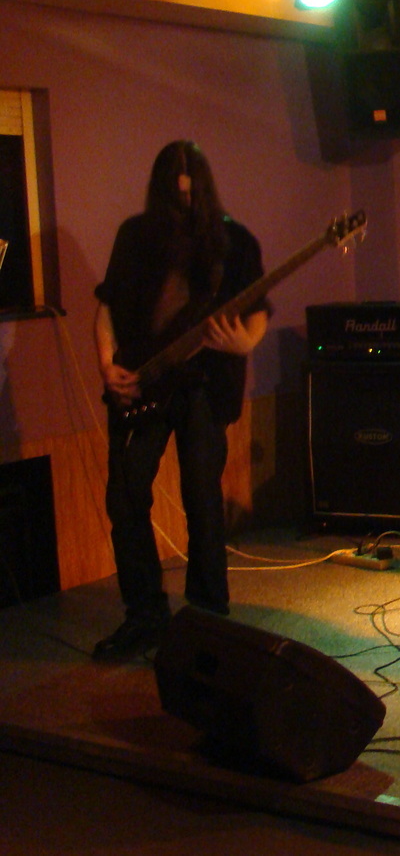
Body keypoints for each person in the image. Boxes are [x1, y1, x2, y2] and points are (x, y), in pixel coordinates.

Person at [93, 140, 269, 661]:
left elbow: (258, 310)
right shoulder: (134, 236)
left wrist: (244, 342)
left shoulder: (234, 242)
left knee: (202, 498)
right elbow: (106, 307)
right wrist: (106, 365)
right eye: (175, 196)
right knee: (125, 498)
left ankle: (208, 616)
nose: (184, 203)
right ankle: (144, 615)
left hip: (203, 385)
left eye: (191, 196)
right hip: (142, 383)